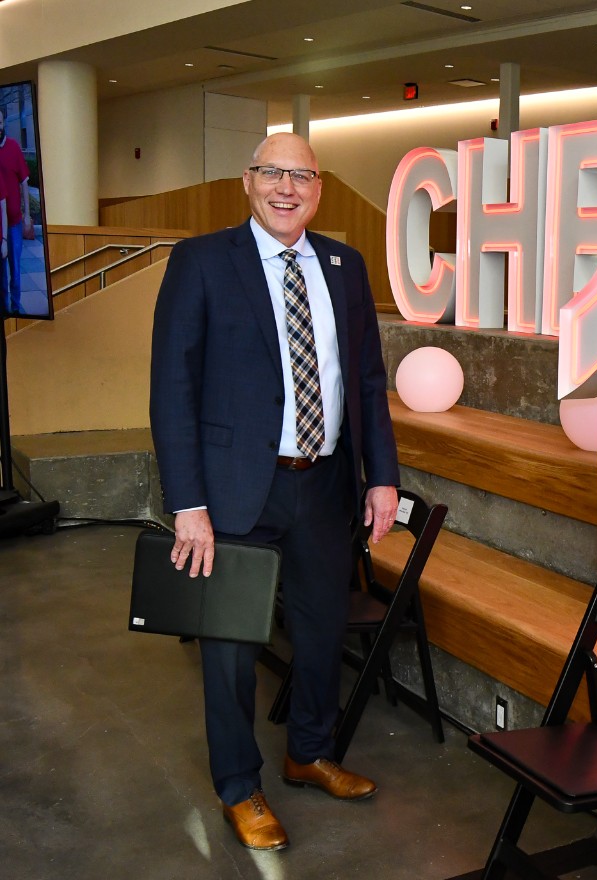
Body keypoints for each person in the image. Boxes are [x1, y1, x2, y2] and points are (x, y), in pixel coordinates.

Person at [150, 133, 400, 852]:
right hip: (232, 494)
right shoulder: (201, 262)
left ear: (319, 188)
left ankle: (310, 752)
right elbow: (172, 391)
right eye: (273, 173)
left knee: (322, 632)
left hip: (323, 486)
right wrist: (187, 503)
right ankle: (239, 786)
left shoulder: (345, 266)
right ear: (247, 181)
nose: (287, 188)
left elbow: (368, 383)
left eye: (303, 176)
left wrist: (380, 475)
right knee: (230, 646)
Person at [0, 106, 29, 310]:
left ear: (3, 124)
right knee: (1, 272)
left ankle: (17, 307)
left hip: (15, 222)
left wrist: (27, 213)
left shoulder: (14, 148)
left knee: (16, 270)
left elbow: (25, 182)